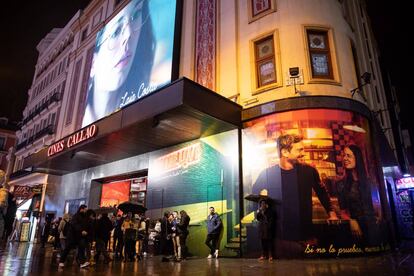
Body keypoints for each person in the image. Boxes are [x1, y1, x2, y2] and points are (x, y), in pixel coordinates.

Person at [252, 134, 338, 244]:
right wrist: (260, 212)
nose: (303, 153)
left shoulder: (309, 171)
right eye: (299, 150)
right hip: (278, 237)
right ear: (285, 152)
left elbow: (322, 193)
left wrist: (331, 212)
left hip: (305, 236)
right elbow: (254, 194)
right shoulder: (268, 174)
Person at [82, 0, 156, 127]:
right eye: (115, 32)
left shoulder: (151, 98)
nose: (128, 34)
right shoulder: (84, 123)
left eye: (136, 15)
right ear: (93, 63)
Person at [337, 145, 379, 245]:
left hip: (373, 228)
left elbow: (377, 205)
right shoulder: (341, 184)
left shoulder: (370, 182)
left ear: (357, 158)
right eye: (344, 155)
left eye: (348, 156)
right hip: (356, 230)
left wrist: (378, 218)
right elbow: (342, 211)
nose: (344, 158)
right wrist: (351, 220)